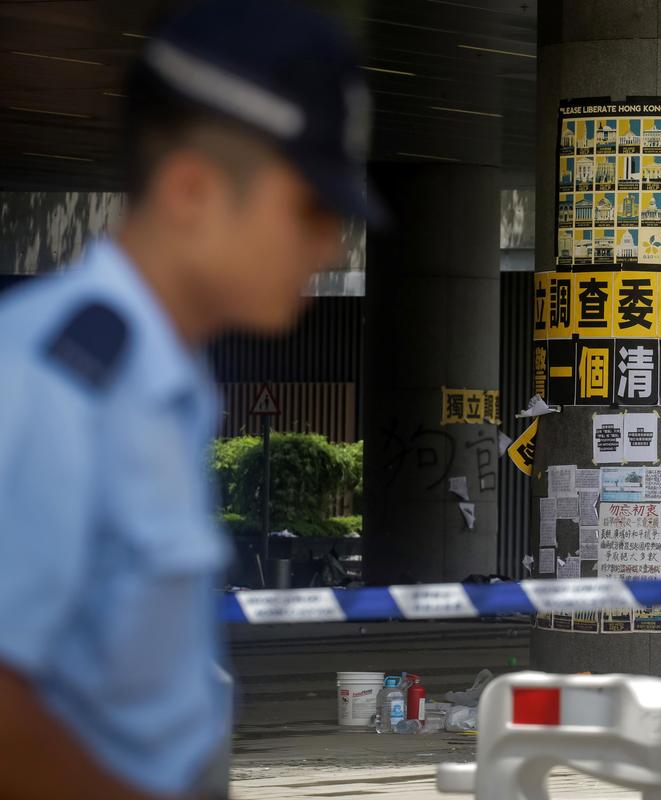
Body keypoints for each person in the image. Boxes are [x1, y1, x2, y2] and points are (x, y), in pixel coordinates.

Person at [0, 1, 384, 797]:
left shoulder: (165, 380)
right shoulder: (51, 382)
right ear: (192, 190)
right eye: (311, 208)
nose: (331, 245)